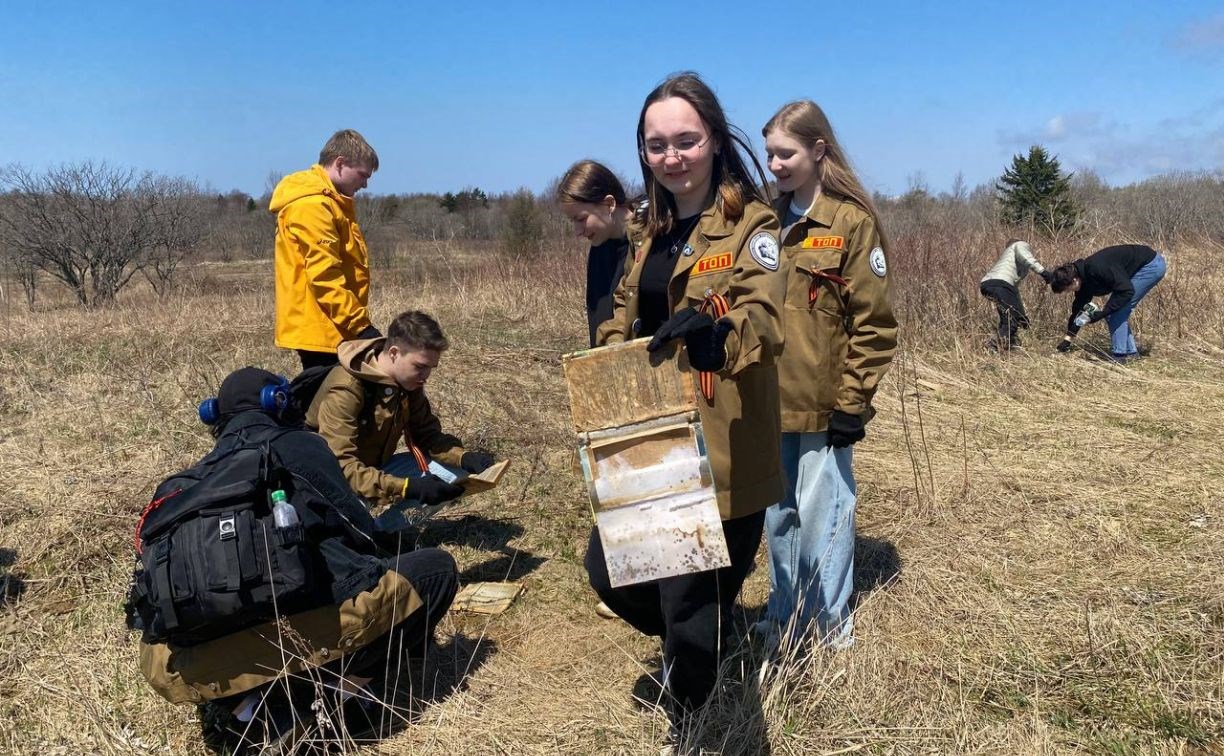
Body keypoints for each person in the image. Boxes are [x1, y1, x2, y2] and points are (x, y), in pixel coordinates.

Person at [587, 72, 787, 730]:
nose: (671, 157)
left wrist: (716, 335)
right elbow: (622, 312)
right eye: (655, 144)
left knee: (690, 605)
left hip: (718, 440)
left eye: (686, 141)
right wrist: (609, 362)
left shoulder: (751, 224)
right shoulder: (650, 230)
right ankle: (703, 635)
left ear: (715, 140)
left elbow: (764, 313)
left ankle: (698, 719)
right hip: (649, 435)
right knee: (608, 570)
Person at [134, 367, 458, 749]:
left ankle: (247, 709)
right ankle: (328, 706)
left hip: (184, 666)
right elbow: (358, 532)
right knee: (436, 571)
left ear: (214, 416)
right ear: (279, 401)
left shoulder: (176, 486)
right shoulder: (299, 445)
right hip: (296, 630)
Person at [757, 100, 898, 650]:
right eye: (769, 153)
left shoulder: (850, 224)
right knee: (778, 518)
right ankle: (783, 616)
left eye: (785, 153)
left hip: (824, 407)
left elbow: (875, 324)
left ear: (818, 150)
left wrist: (852, 402)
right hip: (770, 404)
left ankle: (830, 630)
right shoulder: (765, 222)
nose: (774, 164)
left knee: (825, 520)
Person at [306, 310, 495, 521]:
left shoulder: (408, 382)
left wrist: (463, 457)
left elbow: (427, 435)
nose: (425, 377)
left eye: (431, 368)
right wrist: (406, 488)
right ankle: (363, 536)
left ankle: (382, 533)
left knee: (454, 473)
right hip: (335, 481)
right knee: (346, 515)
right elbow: (341, 466)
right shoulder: (347, 388)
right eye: (420, 367)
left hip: (375, 469)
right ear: (394, 353)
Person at [271, 129, 383, 370]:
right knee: (330, 404)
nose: (365, 184)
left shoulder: (332, 203)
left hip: (333, 325)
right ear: (340, 163)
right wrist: (361, 327)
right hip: (321, 330)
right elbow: (325, 275)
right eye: (363, 175)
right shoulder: (312, 205)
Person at [556, 160, 642, 348]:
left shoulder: (652, 241)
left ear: (609, 204)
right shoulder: (599, 247)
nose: (578, 231)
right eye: (573, 221)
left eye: (581, 219)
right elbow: (598, 320)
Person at [1050, 244, 1167, 362]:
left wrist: (1102, 314)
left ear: (1073, 280)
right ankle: (1131, 353)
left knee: (1116, 312)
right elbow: (1077, 311)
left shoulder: (1097, 268)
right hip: (1139, 269)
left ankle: (1120, 357)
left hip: (1150, 265)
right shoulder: (1082, 281)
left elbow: (1126, 291)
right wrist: (1068, 339)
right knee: (1114, 311)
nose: (1068, 292)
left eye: (1067, 289)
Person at [979, 239, 1052, 351]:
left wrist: (1021, 315)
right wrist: (1043, 272)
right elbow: (1025, 256)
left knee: (1009, 319)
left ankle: (1008, 346)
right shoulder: (1019, 245)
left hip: (990, 285)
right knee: (1010, 321)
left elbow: (1013, 293)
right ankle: (991, 348)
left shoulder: (1011, 265)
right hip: (1000, 284)